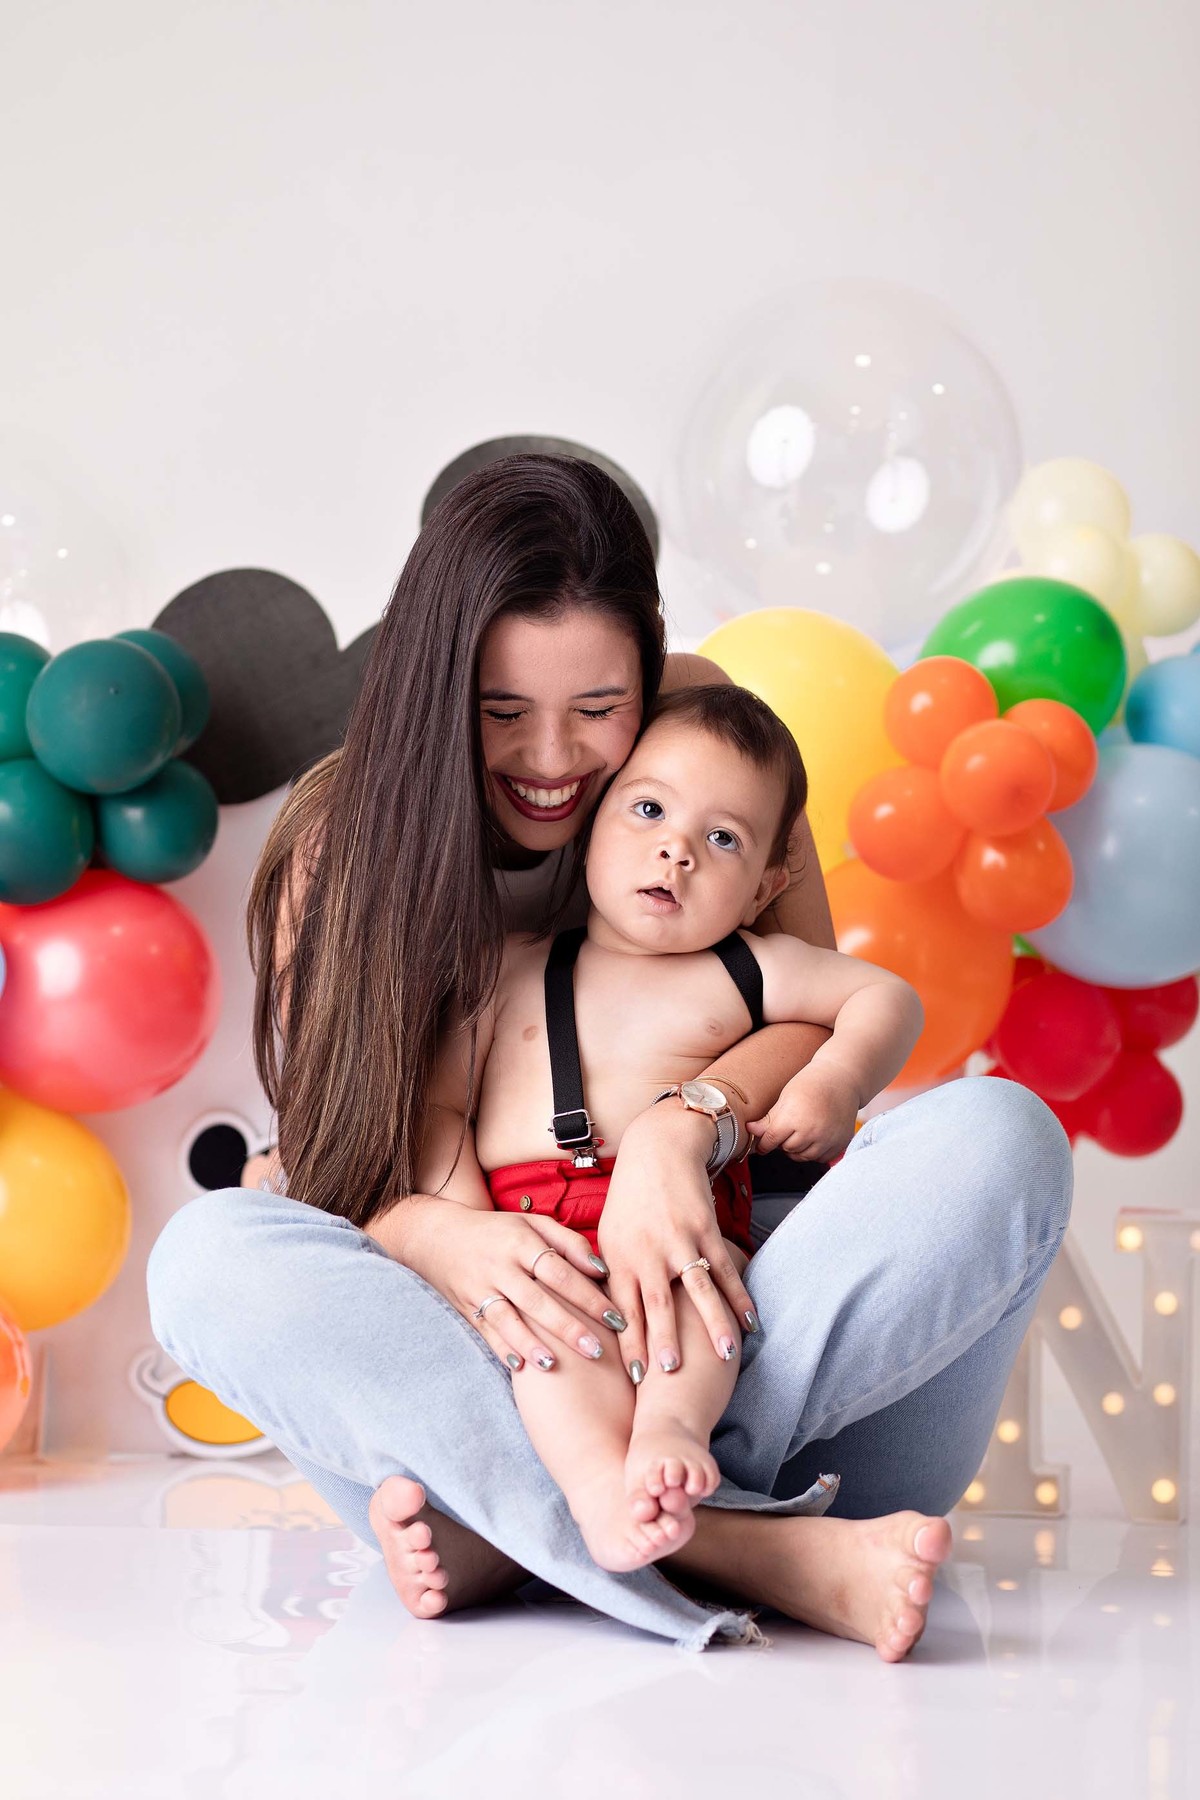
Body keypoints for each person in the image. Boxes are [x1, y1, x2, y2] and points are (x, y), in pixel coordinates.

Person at [147, 453, 1072, 1658]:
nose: (551, 759)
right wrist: (445, 1236)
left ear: (651, 666)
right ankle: (738, 1544)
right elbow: (334, 1165)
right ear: (437, 689)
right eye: (501, 713)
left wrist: (686, 1131)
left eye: (598, 710)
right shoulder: (342, 842)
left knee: (1003, 1134)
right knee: (207, 1258)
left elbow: (799, 1011)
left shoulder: (711, 740)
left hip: (764, 1345)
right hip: (515, 1354)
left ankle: (571, 1524)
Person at [422, 683, 925, 1575]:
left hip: (683, 1223)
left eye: (722, 838)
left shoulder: (749, 968)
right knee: (557, 1350)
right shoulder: (508, 970)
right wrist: (469, 1228)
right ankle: (597, 1494)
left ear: (765, 887)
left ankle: (669, 1436)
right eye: (649, 810)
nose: (677, 851)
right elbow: (441, 1110)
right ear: (590, 827)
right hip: (538, 1233)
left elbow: (886, 997)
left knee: (696, 1314)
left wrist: (835, 1080)